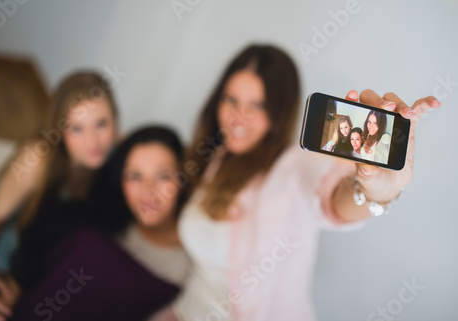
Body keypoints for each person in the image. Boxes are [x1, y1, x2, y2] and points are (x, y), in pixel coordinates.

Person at [149, 44, 440, 321]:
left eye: (257, 105)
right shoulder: (212, 158)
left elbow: (331, 200)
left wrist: (376, 192)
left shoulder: (293, 167)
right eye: (231, 100)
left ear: (278, 112)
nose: (239, 117)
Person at [0, 71, 120, 321]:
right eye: (76, 128)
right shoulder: (38, 159)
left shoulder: (114, 158)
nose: (93, 141)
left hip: (12, 253)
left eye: (101, 124)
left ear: (116, 122)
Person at [7, 126, 191, 321]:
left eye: (163, 176)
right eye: (135, 176)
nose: (148, 191)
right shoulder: (102, 223)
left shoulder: (196, 259)